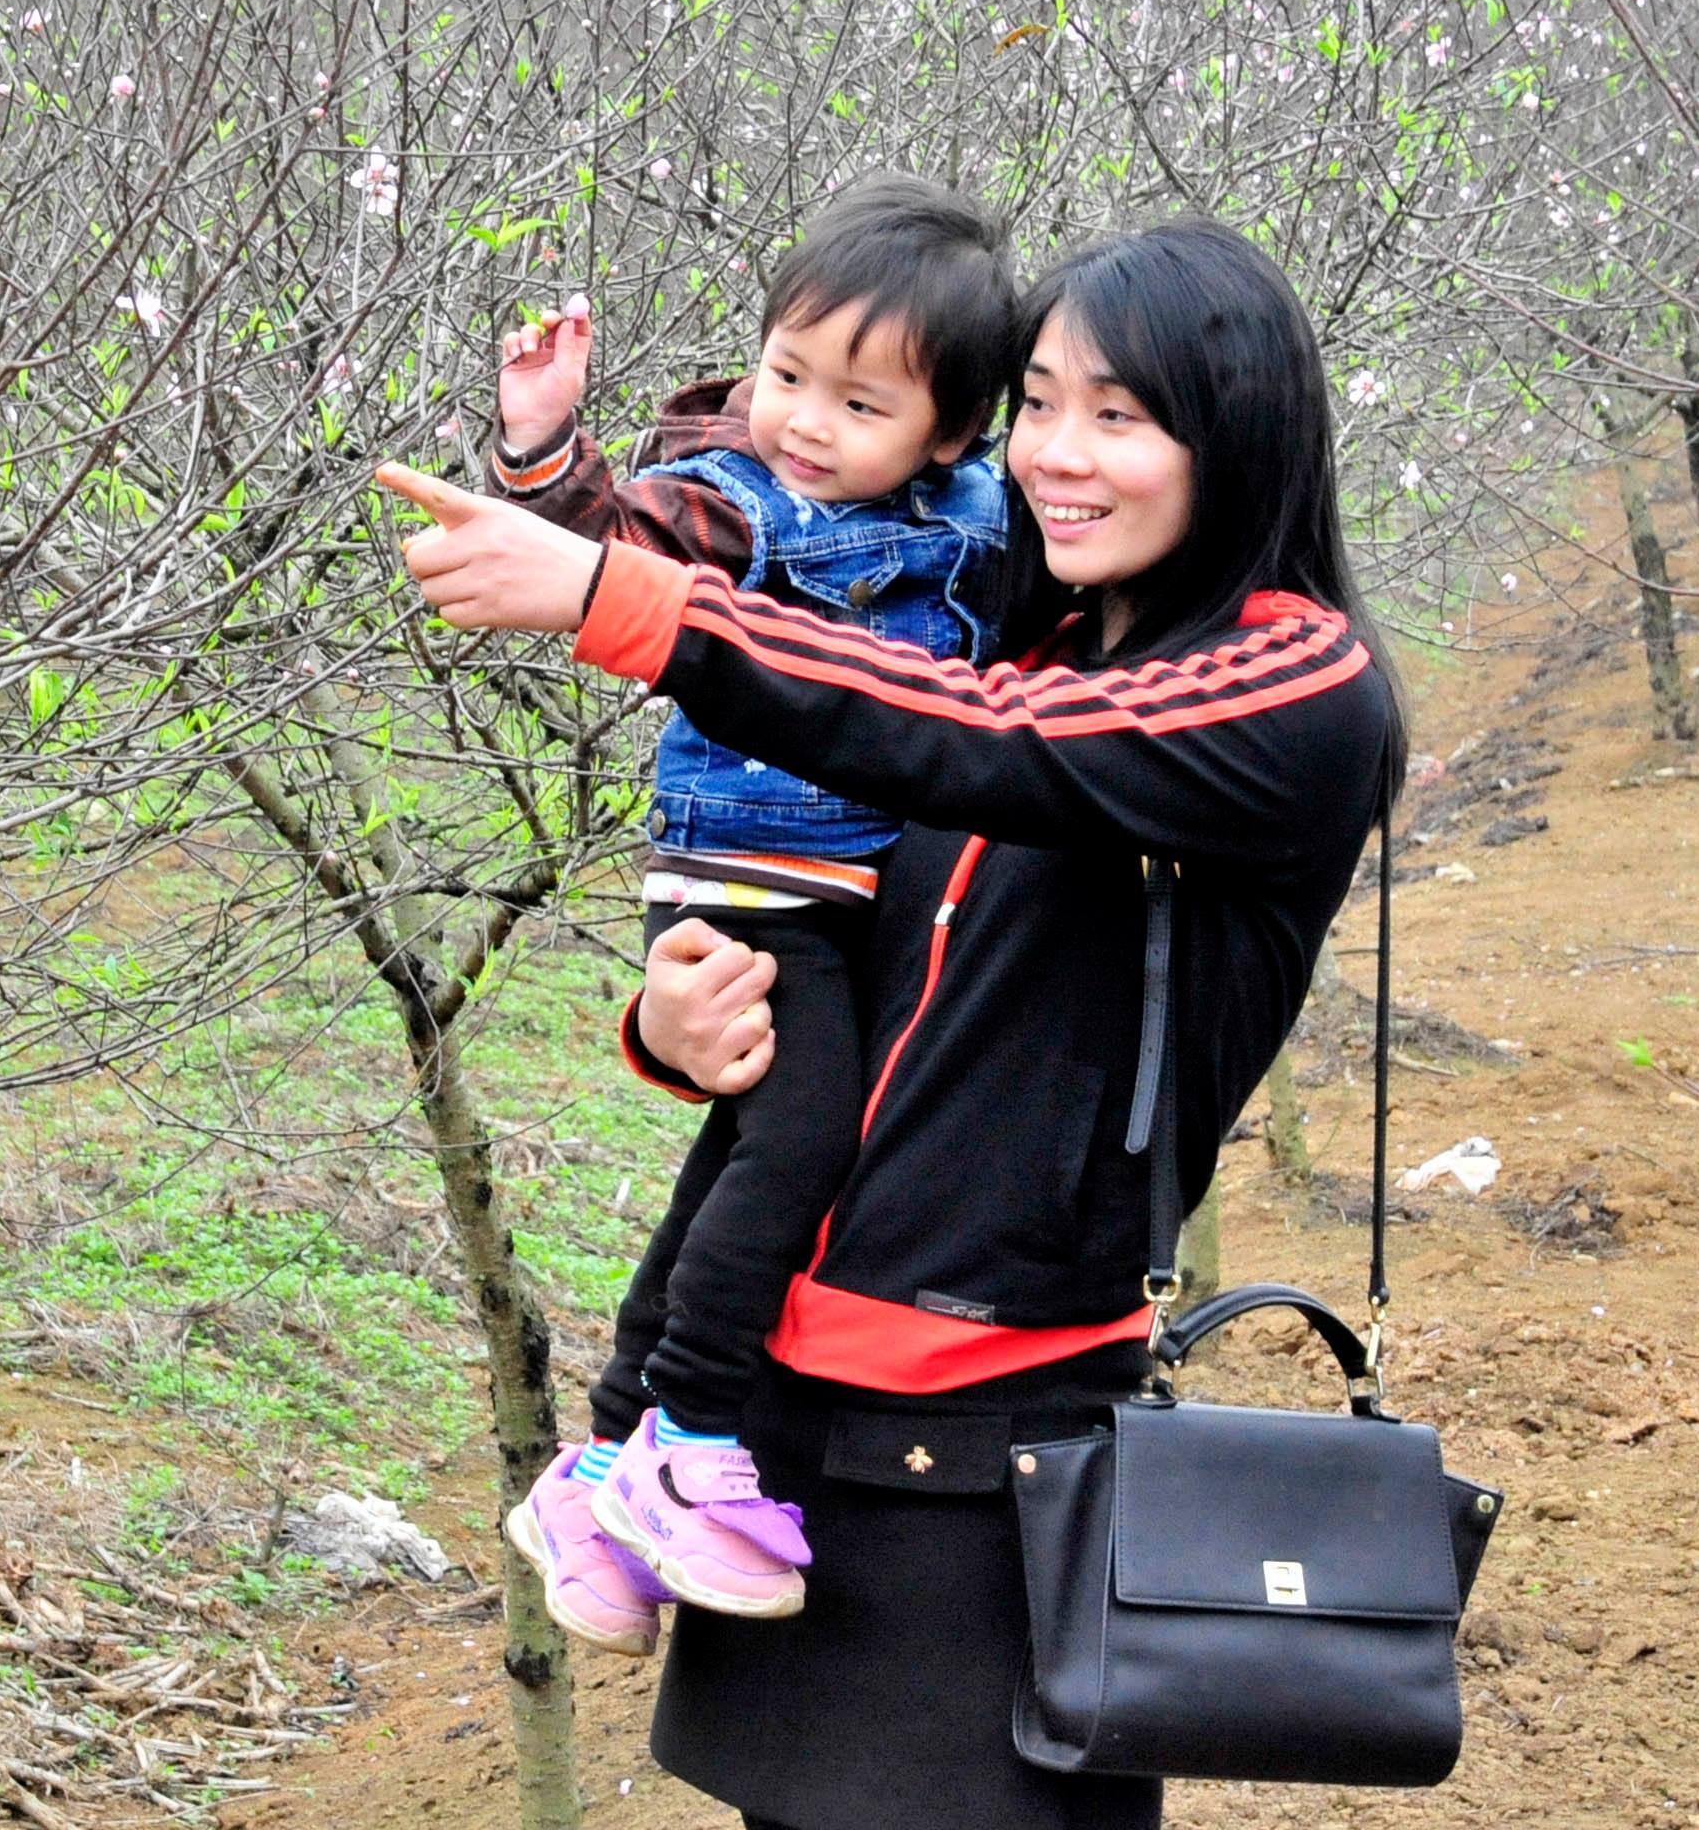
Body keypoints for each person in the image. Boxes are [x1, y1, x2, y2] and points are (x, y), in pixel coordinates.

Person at [382, 218, 1402, 1830]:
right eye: (1040, 408)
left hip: (992, 1445)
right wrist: (678, 1026)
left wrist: (620, 597)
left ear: (1239, 430)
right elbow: (876, 926)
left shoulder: (1285, 685)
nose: (1058, 459)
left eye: (1118, 418)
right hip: (778, 1417)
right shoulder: (1032, 624)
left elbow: (960, 740)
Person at [486, 176, 1022, 1651]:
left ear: (953, 432)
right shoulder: (745, 496)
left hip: (854, 889)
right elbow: (623, 541)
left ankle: (597, 1465)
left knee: (746, 1141)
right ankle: (686, 1435)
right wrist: (544, 447)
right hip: (748, 871)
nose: (804, 420)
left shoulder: (983, 511)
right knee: (803, 1137)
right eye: (789, 373)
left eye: (860, 403)